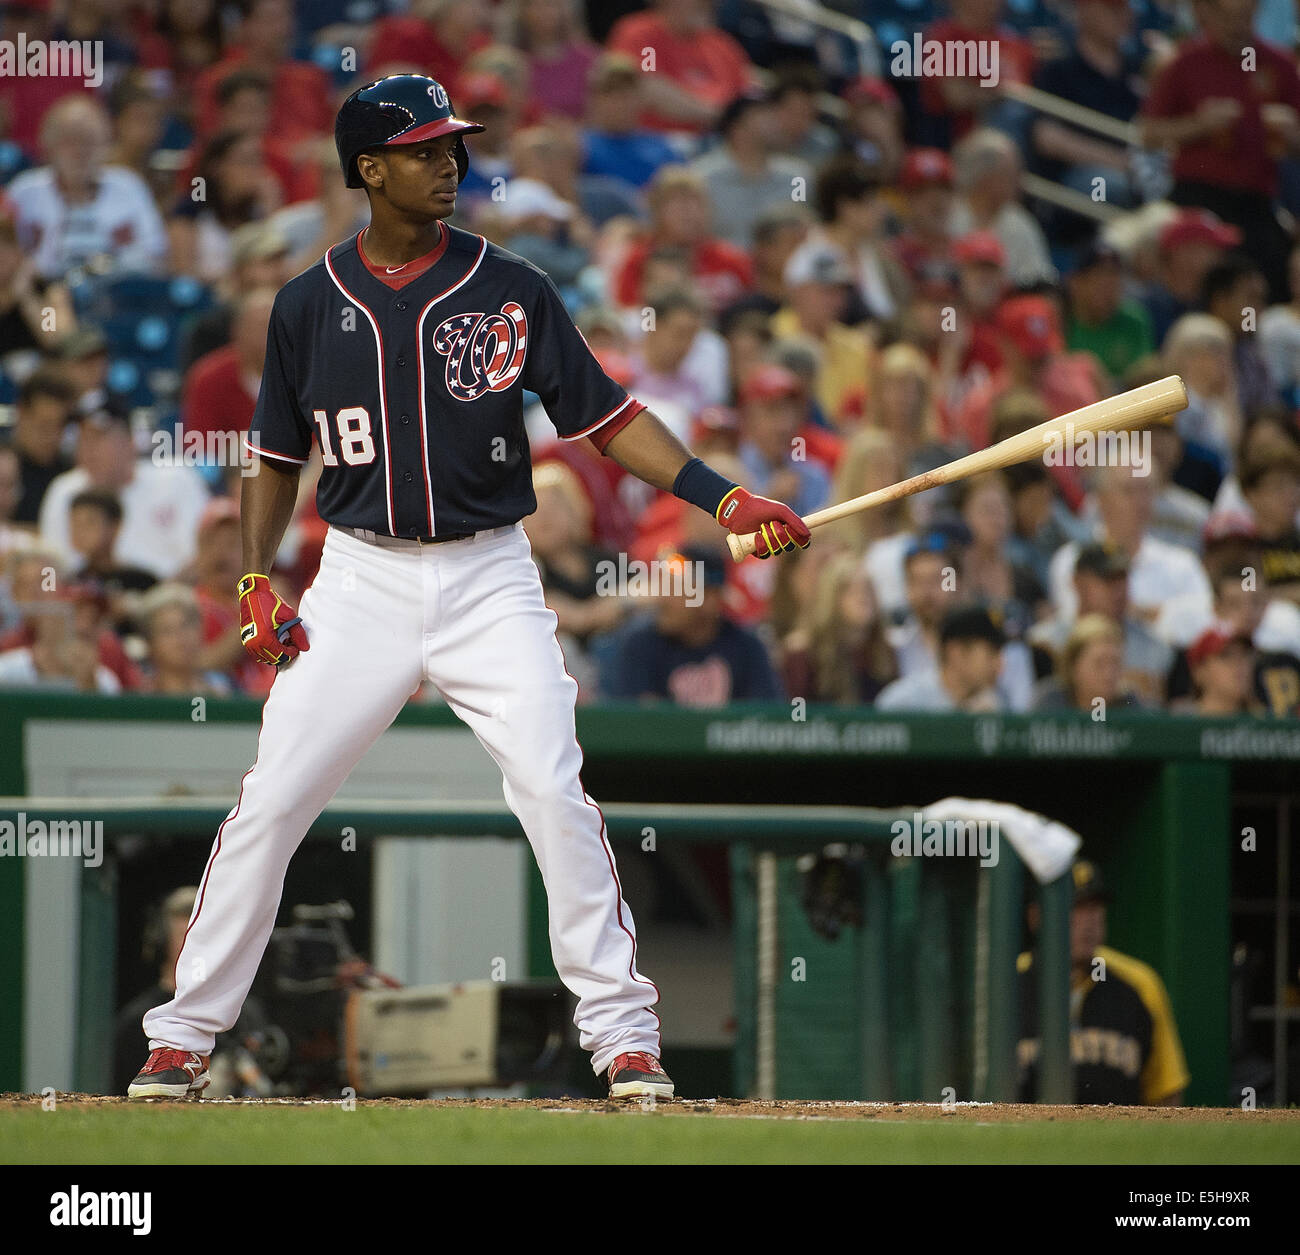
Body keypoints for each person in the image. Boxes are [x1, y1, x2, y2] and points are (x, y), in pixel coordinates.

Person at [127, 74, 812, 1105]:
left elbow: (606, 417)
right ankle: (181, 1037)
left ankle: (623, 1037)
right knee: (270, 802)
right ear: (370, 167)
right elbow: (274, 456)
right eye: (424, 149)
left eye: (453, 146)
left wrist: (720, 498)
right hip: (358, 577)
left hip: (490, 571)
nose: (449, 162)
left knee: (549, 785)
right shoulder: (308, 303)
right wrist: (259, 576)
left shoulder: (511, 285)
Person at [1140, 0, 1300, 302]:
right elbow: (1149, 134)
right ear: (1207, 12)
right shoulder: (1185, 61)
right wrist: (1198, 124)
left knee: (1275, 268)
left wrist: (1292, 134)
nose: (1235, 24)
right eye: (1226, 16)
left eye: (1243, 15)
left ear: (1255, 11)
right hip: (1194, 196)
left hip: (1256, 203)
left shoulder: (1280, 65)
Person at [1018, 860, 1190, 1105]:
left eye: (1095, 907)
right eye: (1075, 907)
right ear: (1036, 917)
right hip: (1025, 1139)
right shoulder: (1006, 986)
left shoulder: (1139, 983)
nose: (1088, 920)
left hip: (1120, 1140)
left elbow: (1166, 1092)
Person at [7, 95, 168, 279]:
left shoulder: (129, 186)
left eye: (89, 141)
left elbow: (157, 254)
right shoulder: (24, 191)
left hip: (116, 292)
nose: (79, 152)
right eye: (69, 141)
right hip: (43, 291)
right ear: (48, 145)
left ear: (106, 144)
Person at [39, 410, 210, 581]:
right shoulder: (64, 490)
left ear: (130, 441)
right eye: (83, 439)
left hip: (173, 594)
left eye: (98, 438)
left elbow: (204, 552)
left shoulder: (176, 479)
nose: (88, 449)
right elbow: (56, 564)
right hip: (93, 595)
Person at [601, 546, 780, 704]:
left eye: (677, 589)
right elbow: (634, 724)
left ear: (711, 599)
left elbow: (765, 720)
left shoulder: (747, 649)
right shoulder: (640, 645)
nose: (663, 599)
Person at [1028, 542, 1173, 705]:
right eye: (1108, 580)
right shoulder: (1044, 642)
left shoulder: (1154, 646)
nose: (1118, 590)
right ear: (1078, 582)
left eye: (1123, 579)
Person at [606, 0, 755, 135]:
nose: (709, 3)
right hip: (656, 140)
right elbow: (648, 86)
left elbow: (749, 101)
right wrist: (724, 116)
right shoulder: (643, 35)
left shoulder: (723, 46)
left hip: (721, 145)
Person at [689, 92, 811, 252]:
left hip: (783, 270)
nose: (775, 124)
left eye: (773, 117)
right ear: (737, 129)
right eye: (763, 117)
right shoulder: (701, 177)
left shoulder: (797, 178)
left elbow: (803, 226)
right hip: (723, 269)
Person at [781, 551, 896, 703]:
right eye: (849, 588)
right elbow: (795, 716)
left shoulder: (885, 653)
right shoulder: (804, 656)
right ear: (830, 598)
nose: (862, 596)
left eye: (868, 588)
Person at [875, 603, 1008, 712]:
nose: (999, 664)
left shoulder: (994, 706)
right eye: (991, 653)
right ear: (956, 653)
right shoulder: (903, 703)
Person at [1032, 613, 1145, 711]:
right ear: (1073, 666)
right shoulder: (1050, 703)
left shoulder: (1130, 705)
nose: (1109, 673)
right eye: (1099, 664)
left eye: (1116, 663)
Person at [9, 368, 76, 526]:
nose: (52, 436)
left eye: (60, 426)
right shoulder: (5, 469)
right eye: (44, 425)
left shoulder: (70, 476)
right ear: (21, 413)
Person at [1173, 622, 1258, 714]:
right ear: (1200, 672)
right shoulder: (1176, 719)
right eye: (1226, 656)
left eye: (1245, 655)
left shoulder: (1265, 722)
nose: (1239, 663)